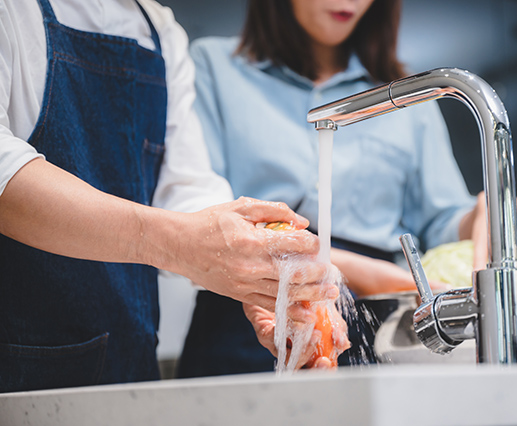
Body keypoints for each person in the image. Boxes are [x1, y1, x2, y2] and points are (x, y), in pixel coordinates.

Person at [176, 0, 517, 377]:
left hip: (372, 329)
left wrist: (491, 208)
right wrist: (333, 266)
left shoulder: (410, 94)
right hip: (243, 313)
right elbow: (197, 210)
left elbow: (442, 220)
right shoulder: (212, 65)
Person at [0, 0, 349, 394]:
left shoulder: (159, 29)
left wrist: (270, 283)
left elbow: (184, 187)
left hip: (128, 364)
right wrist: (175, 243)